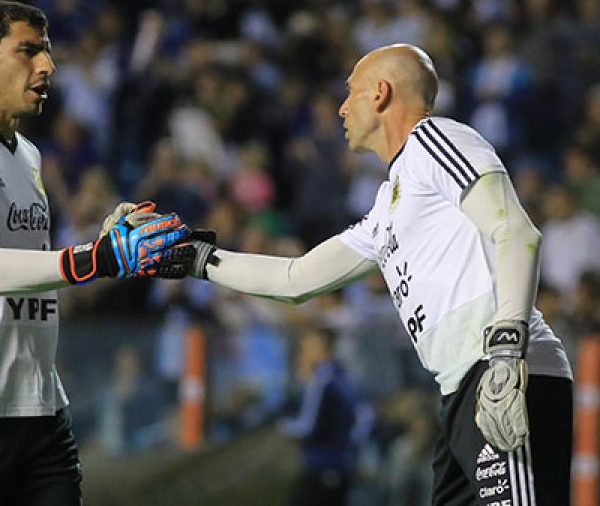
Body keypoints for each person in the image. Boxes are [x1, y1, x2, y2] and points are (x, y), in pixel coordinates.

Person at [175, 44, 574, 504]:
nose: (342, 107)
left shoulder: (435, 141)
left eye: (351, 93)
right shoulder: (388, 205)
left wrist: (507, 350)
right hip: (463, 389)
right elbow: (295, 279)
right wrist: (198, 260)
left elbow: (517, 232)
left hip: (503, 372)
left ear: (381, 93)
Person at [0, 0, 191, 506]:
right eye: (28, 51)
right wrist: (95, 258)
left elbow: (31, 266)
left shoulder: (28, 154)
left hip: (39, 406)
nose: (47, 66)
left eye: (47, 52)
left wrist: (102, 242)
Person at [279, 327, 373, 506]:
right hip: (340, 467)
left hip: (322, 465)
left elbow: (306, 426)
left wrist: (282, 427)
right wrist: (352, 452)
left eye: (304, 347)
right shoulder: (344, 376)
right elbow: (366, 416)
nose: (301, 353)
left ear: (318, 347)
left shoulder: (322, 380)